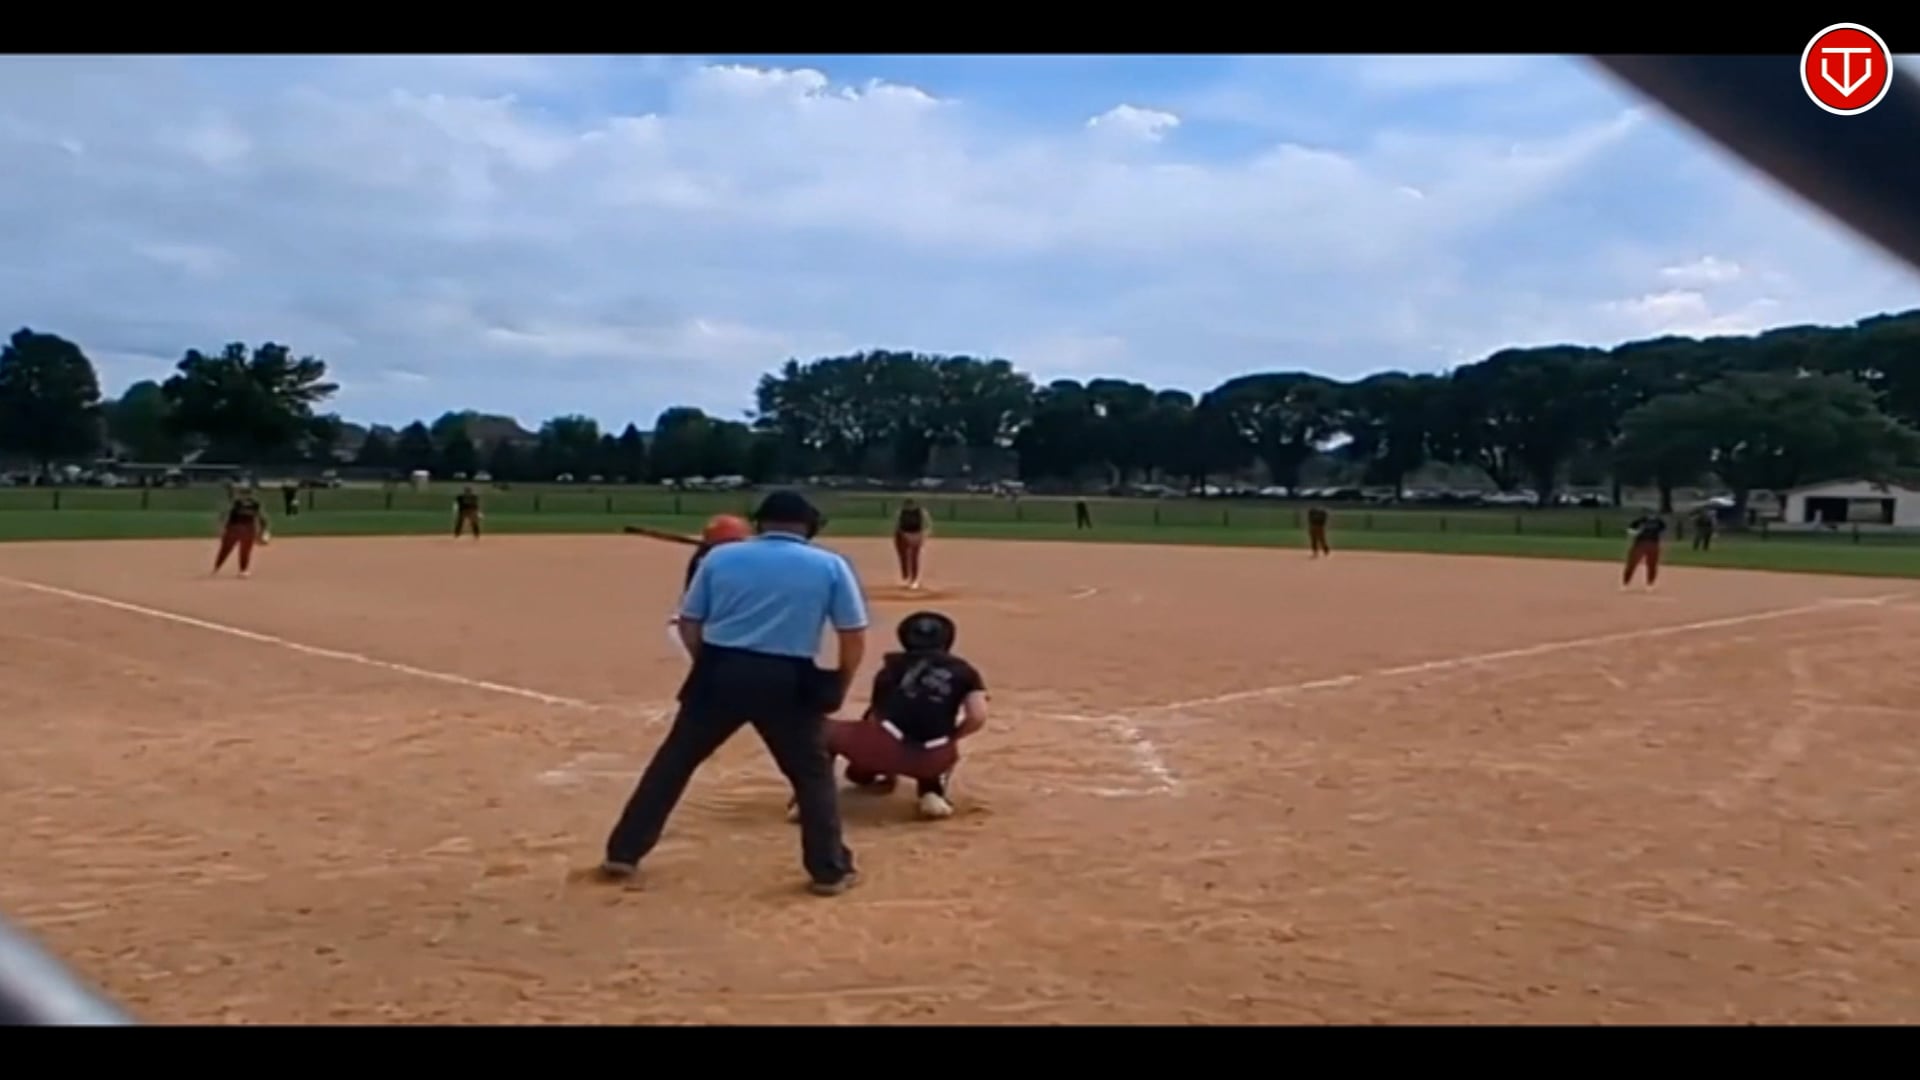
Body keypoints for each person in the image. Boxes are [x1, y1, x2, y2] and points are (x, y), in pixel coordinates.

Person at [599, 491, 868, 896]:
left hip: (720, 669)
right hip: (788, 677)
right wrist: (840, 682)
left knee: (673, 763)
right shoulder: (830, 565)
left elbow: (689, 622)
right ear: (809, 526)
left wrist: (708, 665)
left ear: (760, 522)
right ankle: (828, 870)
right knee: (811, 776)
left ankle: (624, 852)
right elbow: (852, 634)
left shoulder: (720, 557)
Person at [793, 610, 988, 822]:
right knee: (933, 735)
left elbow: (877, 715)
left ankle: (810, 801)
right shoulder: (966, 672)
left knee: (821, 732)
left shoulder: (892, 666)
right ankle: (931, 793)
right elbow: (977, 716)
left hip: (883, 747)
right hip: (936, 757)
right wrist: (953, 737)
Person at [212, 486, 269, 578]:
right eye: (244, 493)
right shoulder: (237, 503)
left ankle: (243, 570)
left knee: (244, 550)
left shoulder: (253, 504)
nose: (245, 495)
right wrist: (221, 528)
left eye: (247, 493)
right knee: (226, 549)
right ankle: (217, 567)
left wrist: (263, 531)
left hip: (245, 529)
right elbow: (224, 515)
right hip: (235, 528)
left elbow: (262, 518)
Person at [1623, 511, 1667, 588]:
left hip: (1653, 544)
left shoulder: (1659, 522)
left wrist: (1661, 542)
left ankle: (1649, 584)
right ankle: (1625, 583)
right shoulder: (1640, 521)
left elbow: (1663, 532)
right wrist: (1636, 532)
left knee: (1652, 565)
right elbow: (1630, 530)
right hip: (1639, 544)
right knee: (1632, 564)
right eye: (1650, 514)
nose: (1652, 515)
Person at [893, 499, 930, 589]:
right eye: (907, 505)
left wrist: (924, 534)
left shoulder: (921, 512)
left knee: (914, 557)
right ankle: (905, 575)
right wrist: (902, 535)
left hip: (916, 534)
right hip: (903, 534)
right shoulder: (901, 512)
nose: (909, 507)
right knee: (903, 557)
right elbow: (897, 525)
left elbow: (927, 524)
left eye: (911, 505)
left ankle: (914, 579)